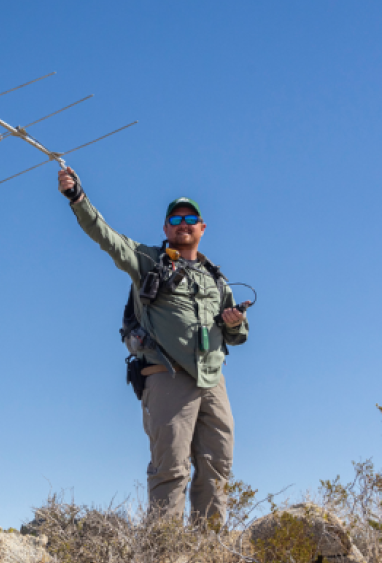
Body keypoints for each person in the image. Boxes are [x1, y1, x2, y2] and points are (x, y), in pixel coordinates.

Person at [58, 165, 248, 524]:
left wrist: (235, 323)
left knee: (217, 466)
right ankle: (164, 553)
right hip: (167, 375)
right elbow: (105, 237)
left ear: (202, 228)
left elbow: (239, 336)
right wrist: (77, 198)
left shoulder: (217, 279)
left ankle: (209, 553)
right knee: (171, 467)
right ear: (165, 228)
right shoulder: (147, 261)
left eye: (191, 217)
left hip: (213, 380)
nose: (183, 223)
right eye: (175, 218)